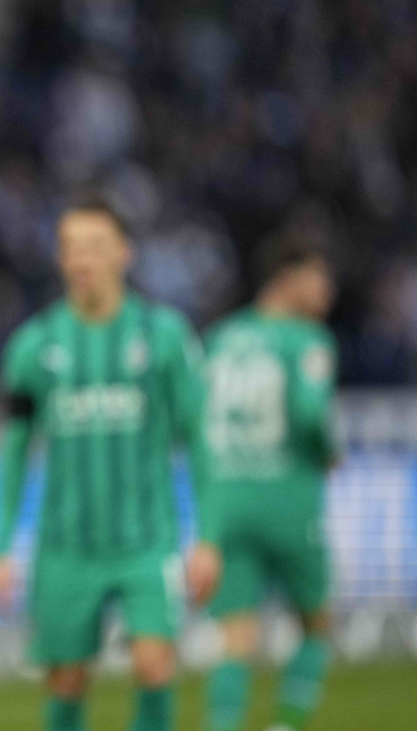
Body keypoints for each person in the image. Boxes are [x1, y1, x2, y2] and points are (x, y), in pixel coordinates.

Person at [0, 195, 221, 731]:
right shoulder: (34, 346)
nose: (83, 259)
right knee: (67, 679)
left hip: (148, 541)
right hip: (66, 546)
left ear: (125, 253)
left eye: (96, 246)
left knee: (154, 663)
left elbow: (200, 440)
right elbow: (15, 450)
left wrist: (208, 538)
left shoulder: (164, 337)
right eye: (72, 248)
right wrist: (1, 545)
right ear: (60, 258)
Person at [203, 244, 338, 731]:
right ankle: (285, 727)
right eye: (319, 277)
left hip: (227, 502)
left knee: (235, 637)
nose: (329, 290)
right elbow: (308, 413)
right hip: (286, 499)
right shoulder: (307, 339)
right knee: (318, 625)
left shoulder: (220, 337)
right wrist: (329, 451)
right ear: (288, 278)